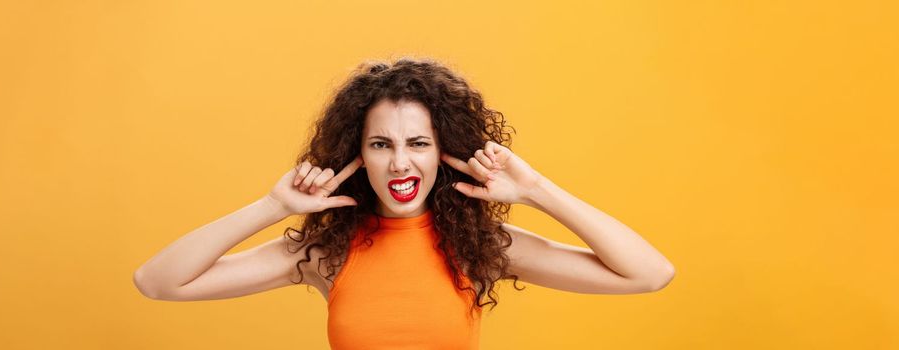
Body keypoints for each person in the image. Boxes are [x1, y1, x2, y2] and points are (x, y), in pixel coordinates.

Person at [132, 57, 675, 349]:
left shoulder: (482, 248)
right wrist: (272, 207)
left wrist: (537, 192)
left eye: (418, 144)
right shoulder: (324, 253)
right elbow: (158, 282)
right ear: (357, 155)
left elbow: (648, 274)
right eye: (380, 144)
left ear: (445, 153)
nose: (399, 164)